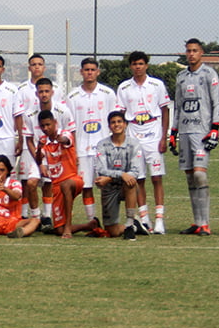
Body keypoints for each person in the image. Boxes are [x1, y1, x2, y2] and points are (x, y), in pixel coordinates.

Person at [115, 51, 171, 234]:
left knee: (156, 177)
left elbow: (165, 111)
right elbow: (120, 115)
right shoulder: (124, 88)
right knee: (138, 179)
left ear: (146, 65)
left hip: (153, 132)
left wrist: (164, 136)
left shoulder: (157, 85)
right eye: (134, 64)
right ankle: (144, 218)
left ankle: (160, 219)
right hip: (133, 133)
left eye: (141, 63)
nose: (137, 67)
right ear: (130, 66)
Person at [171, 38, 219, 236]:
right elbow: (177, 105)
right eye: (188, 51)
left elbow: (217, 103)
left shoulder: (210, 74)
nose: (191, 54)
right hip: (184, 131)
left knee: (200, 175)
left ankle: (206, 223)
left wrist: (215, 128)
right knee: (191, 178)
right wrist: (173, 132)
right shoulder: (181, 76)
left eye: (194, 50)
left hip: (201, 132)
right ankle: (197, 222)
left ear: (201, 52)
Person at [67, 57, 118, 226]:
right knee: (86, 187)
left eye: (92, 70)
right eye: (86, 70)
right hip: (82, 150)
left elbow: (115, 122)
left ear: (98, 72)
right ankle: (92, 222)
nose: (89, 73)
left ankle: (109, 221)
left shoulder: (108, 94)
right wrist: (73, 151)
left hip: (103, 150)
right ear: (81, 72)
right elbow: (70, 127)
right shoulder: (72, 96)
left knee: (106, 186)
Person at [21, 77, 74, 229]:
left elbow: (70, 134)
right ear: (36, 94)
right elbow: (29, 140)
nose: (44, 94)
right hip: (37, 155)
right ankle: (36, 217)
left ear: (52, 92)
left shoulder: (62, 110)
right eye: (41, 92)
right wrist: (39, 161)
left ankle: (47, 217)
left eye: (46, 91)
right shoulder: (30, 114)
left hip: (57, 156)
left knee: (49, 186)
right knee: (31, 183)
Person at [36, 110, 94, 239]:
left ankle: (68, 227)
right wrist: (39, 151)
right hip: (56, 186)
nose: (46, 128)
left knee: (65, 185)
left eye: (48, 125)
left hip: (73, 179)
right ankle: (89, 225)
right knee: (58, 230)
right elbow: (40, 160)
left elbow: (67, 140)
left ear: (55, 122)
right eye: (43, 126)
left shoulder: (65, 133)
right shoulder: (43, 141)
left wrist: (59, 139)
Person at [93, 110, 147, 240]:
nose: (116, 125)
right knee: (112, 232)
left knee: (131, 182)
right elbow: (101, 170)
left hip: (125, 186)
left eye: (119, 122)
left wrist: (112, 177)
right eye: (113, 122)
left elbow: (135, 171)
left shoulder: (134, 144)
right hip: (109, 188)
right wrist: (121, 174)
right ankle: (136, 225)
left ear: (125, 124)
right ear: (109, 126)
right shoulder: (102, 144)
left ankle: (129, 224)